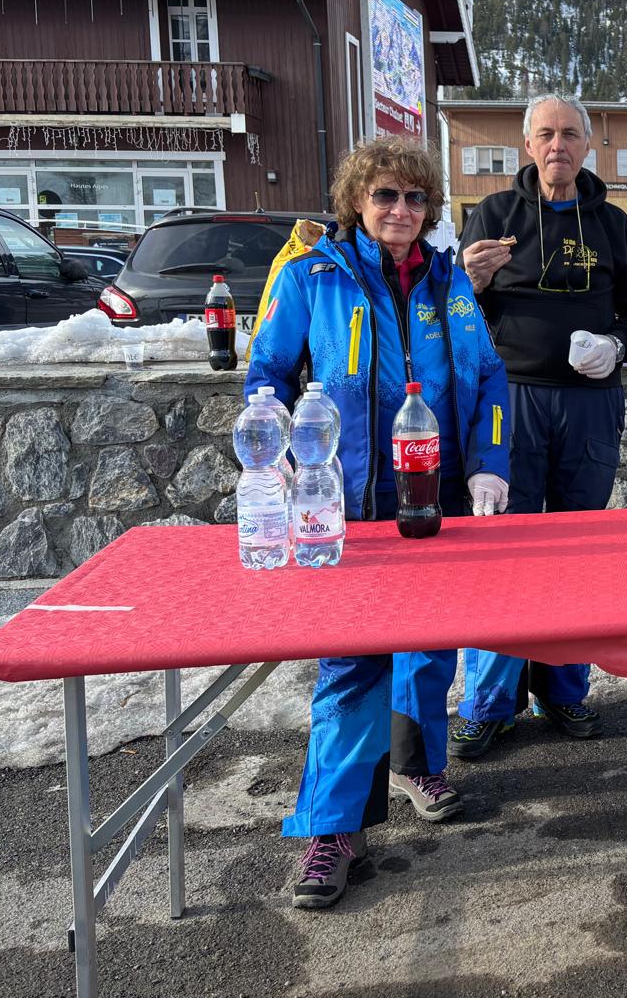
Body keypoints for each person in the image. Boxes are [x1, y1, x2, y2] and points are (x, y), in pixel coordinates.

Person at [246, 135, 510, 909]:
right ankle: (334, 827)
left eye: (414, 197)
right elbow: (266, 375)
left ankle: (417, 764)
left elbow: (490, 375)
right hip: (351, 504)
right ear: (357, 202)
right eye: (385, 195)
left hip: (437, 499)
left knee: (430, 648)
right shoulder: (312, 276)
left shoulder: (448, 282)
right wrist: (281, 454)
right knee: (352, 664)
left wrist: (490, 461)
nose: (401, 209)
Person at [453, 94, 627, 756]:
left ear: (588, 145)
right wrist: (467, 284)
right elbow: (452, 316)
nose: (558, 145)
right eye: (545, 134)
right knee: (503, 550)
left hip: (589, 404)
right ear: (527, 145)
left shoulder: (614, 223)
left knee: (578, 548)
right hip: (511, 398)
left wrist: (617, 346)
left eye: (570, 134)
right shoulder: (495, 214)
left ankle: (564, 689)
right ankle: (490, 702)